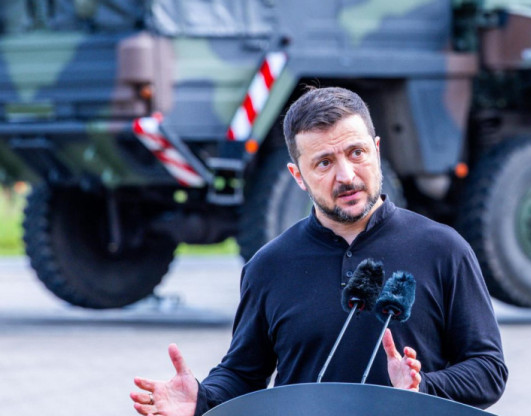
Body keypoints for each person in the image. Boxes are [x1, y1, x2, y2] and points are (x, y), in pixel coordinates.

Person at [130, 87, 508, 416]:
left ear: (376, 151)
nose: (345, 175)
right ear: (298, 176)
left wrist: (423, 387)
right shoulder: (269, 266)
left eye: (356, 152)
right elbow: (244, 373)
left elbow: (488, 370)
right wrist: (202, 399)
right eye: (324, 162)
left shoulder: (443, 249)